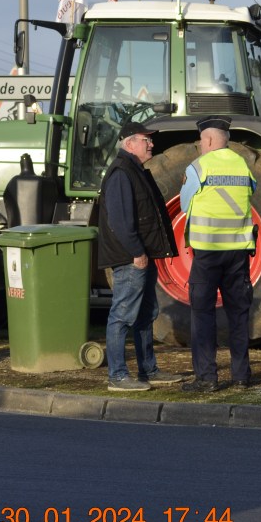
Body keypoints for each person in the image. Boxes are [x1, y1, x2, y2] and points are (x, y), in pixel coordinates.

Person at [97, 122, 183, 391]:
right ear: (129, 143)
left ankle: (148, 370)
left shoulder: (135, 171)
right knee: (122, 315)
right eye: (146, 140)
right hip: (131, 259)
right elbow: (120, 221)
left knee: (146, 313)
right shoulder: (121, 173)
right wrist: (137, 252)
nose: (151, 144)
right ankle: (117, 376)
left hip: (142, 256)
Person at [179, 116, 256, 392]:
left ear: (209, 139)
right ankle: (241, 376)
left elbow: (184, 204)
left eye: (201, 140)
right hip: (238, 253)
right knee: (239, 315)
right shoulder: (242, 164)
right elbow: (251, 192)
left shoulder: (199, 167)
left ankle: (207, 378)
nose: (200, 145)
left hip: (208, 254)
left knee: (202, 315)